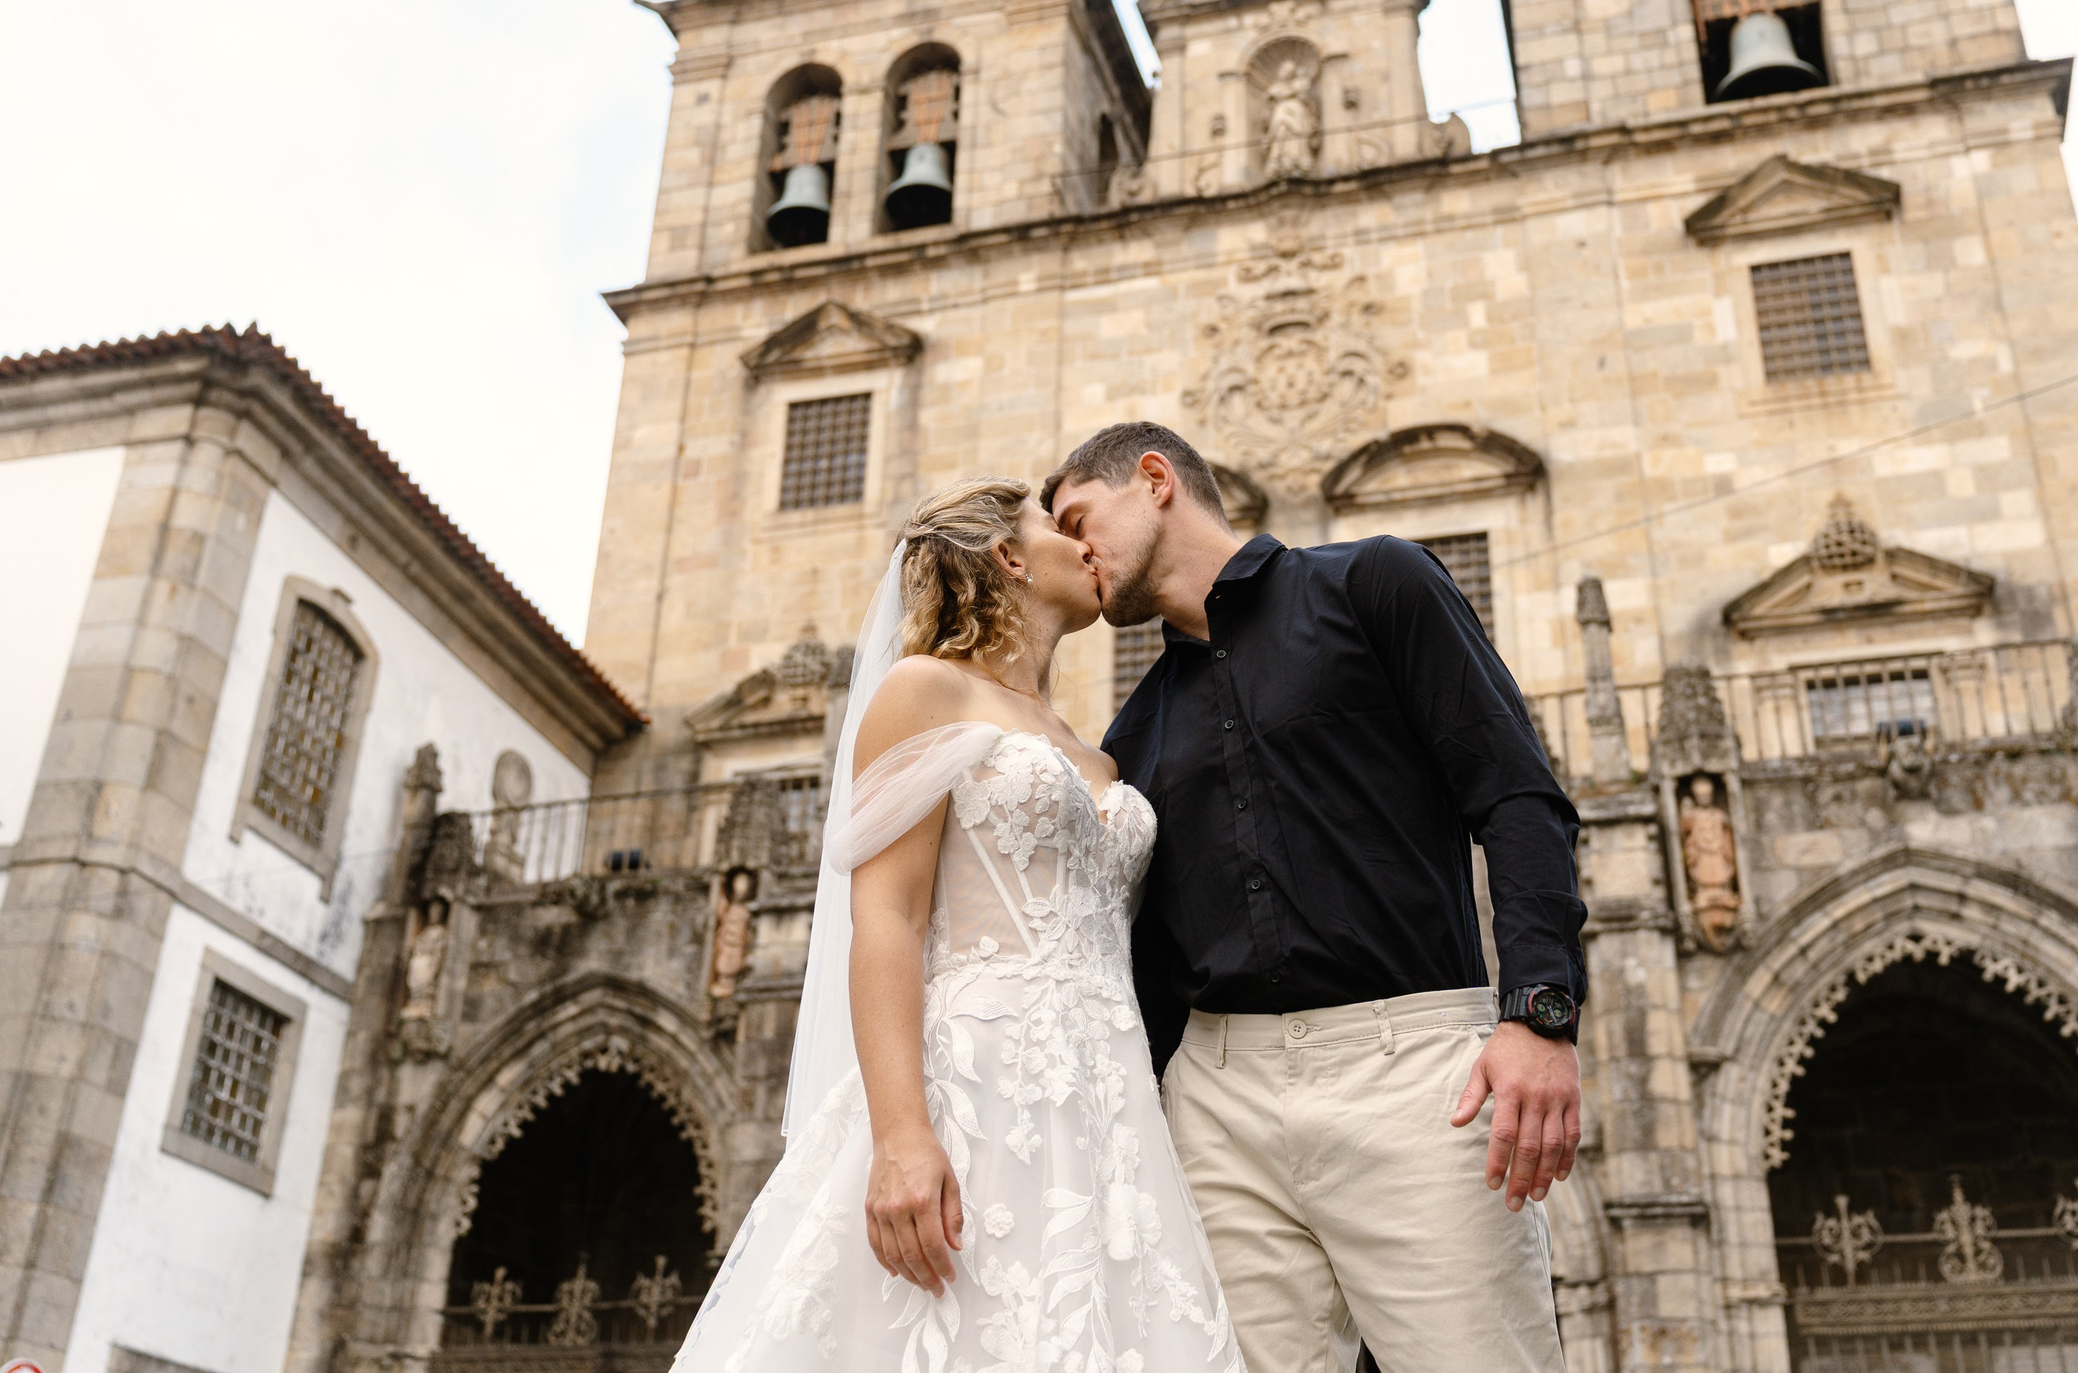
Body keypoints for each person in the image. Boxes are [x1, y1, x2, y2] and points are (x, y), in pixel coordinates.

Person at [1045, 421, 1586, 1373]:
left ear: (1156, 479)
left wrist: (1539, 1013)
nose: (1072, 549)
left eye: (1079, 517)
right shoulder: (1131, 728)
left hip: (1414, 1068)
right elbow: (1151, 960)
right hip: (1217, 1097)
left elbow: (1517, 794)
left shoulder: (1375, 583)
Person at [669, 477, 1242, 1373]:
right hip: (971, 1083)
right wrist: (901, 1134)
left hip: (1112, 1093)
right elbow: (886, 917)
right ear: (1010, 556)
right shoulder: (923, 691)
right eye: (1058, 527)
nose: (1086, 544)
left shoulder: (1095, 749)